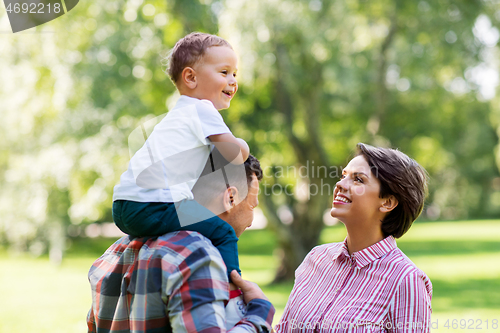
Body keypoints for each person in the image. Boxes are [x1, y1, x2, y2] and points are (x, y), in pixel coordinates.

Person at [112, 32, 250, 281]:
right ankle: (234, 284)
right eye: (224, 72)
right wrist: (243, 145)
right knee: (223, 233)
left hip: (125, 203)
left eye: (235, 74)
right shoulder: (202, 109)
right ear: (191, 77)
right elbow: (235, 155)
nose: (233, 81)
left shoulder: (178, 115)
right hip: (154, 204)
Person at [87, 155, 275, 332]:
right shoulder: (197, 256)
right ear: (230, 198)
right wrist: (259, 313)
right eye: (252, 206)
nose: (251, 221)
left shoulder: (113, 254)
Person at [275, 143, 432, 332]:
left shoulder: (406, 280)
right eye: (343, 176)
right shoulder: (316, 258)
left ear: (388, 202)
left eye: (358, 179)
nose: (340, 184)